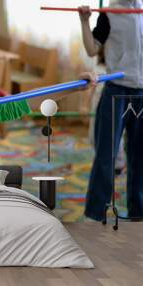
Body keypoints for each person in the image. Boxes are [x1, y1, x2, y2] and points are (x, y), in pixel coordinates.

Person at [79, 2, 143, 221]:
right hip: (117, 90)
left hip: (142, 92)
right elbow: (91, 49)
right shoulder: (110, 13)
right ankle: (96, 215)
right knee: (106, 156)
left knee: (140, 157)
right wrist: (84, 21)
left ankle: (139, 215)